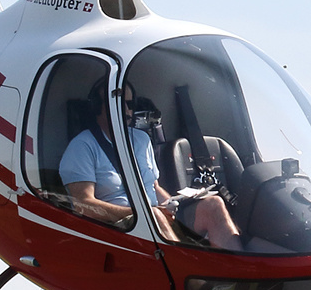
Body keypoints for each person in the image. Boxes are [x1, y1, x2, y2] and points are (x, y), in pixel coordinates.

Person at [60, 79, 241, 250]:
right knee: (153, 217)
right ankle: (192, 279)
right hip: (117, 226)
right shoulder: (82, 146)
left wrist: (169, 204)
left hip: (154, 214)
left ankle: (238, 274)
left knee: (214, 205)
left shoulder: (141, 139)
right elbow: (83, 205)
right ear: (97, 107)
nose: (126, 110)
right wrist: (142, 212)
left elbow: (153, 186)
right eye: (117, 103)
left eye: (130, 104)